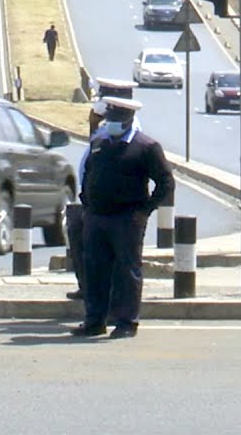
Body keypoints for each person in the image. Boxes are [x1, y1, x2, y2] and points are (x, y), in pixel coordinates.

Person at [70, 97, 173, 339]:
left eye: (117, 119)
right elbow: (89, 173)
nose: (112, 123)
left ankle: (126, 322)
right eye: (110, 119)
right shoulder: (100, 142)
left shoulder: (146, 146)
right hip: (97, 216)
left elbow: (166, 183)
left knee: (127, 271)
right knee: (94, 269)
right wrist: (87, 202)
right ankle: (94, 320)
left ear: (128, 120)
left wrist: (145, 210)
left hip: (127, 218)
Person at [69, 77, 137, 302]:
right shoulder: (105, 129)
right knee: (82, 242)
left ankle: (113, 307)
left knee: (113, 258)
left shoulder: (129, 131)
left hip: (114, 207)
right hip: (92, 201)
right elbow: (94, 156)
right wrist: (93, 125)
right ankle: (87, 289)